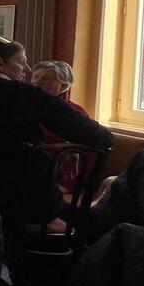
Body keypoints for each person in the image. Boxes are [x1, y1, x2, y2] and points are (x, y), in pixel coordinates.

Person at [0, 38, 113, 223]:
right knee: (89, 220)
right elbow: (99, 136)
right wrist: (72, 148)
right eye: (21, 61)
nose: (27, 68)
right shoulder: (27, 94)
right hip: (23, 199)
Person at [31, 59, 91, 193]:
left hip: (60, 175)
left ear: (63, 85)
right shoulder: (29, 106)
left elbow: (88, 149)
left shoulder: (74, 111)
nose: (37, 82)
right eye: (36, 77)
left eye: (46, 79)